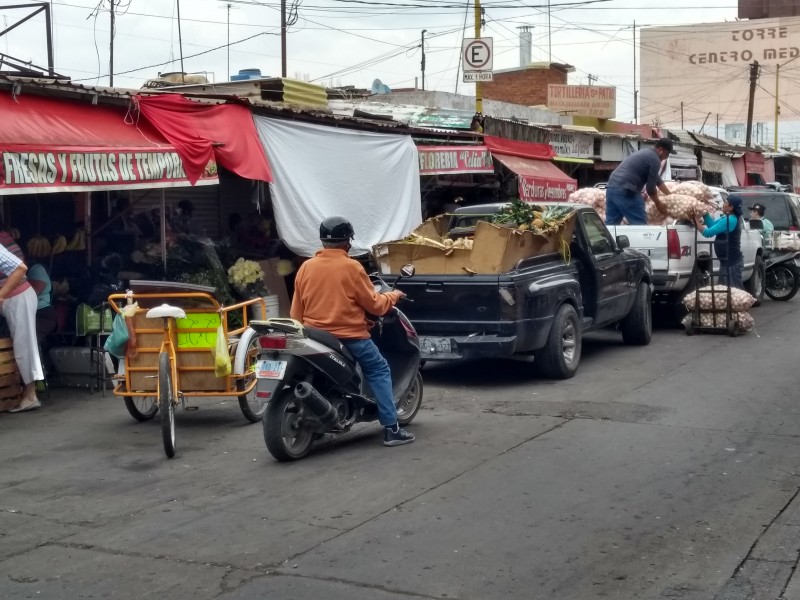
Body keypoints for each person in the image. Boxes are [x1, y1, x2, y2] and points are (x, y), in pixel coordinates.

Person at [290, 217, 416, 447]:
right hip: (350, 336)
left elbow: (296, 312)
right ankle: (391, 428)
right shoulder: (352, 267)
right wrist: (394, 296)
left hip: (313, 336)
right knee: (379, 368)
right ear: (347, 242)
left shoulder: (305, 268)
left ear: (322, 242)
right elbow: (376, 305)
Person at [0, 240, 44, 412]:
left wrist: (1, 295)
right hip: (11, 299)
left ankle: (31, 395)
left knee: (24, 347)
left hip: (19, 297)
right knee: (22, 346)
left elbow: (20, 268)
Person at [605, 138, 677, 225]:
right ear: (661, 150)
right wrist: (658, 204)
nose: (667, 157)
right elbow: (650, 189)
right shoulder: (655, 159)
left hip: (611, 187)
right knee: (639, 224)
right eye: (667, 153)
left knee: (611, 224)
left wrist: (670, 195)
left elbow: (658, 180)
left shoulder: (646, 153)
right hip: (626, 191)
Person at [693, 196, 744, 289]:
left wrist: (695, 220)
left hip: (731, 263)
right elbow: (712, 225)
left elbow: (707, 233)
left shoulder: (730, 220)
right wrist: (705, 214)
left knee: (735, 294)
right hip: (727, 262)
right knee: (727, 293)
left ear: (731, 207)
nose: (723, 204)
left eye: (725, 202)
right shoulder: (727, 217)